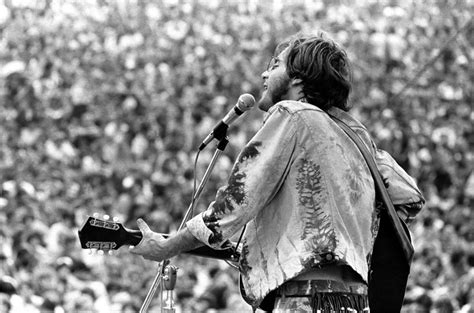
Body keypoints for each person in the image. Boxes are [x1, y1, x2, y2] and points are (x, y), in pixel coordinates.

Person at [130, 31, 425, 312]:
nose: (264, 75)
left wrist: (167, 246)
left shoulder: (292, 114)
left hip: (306, 299)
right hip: (357, 301)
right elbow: (408, 197)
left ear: (298, 79)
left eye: (274, 66)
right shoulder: (355, 135)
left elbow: (231, 206)